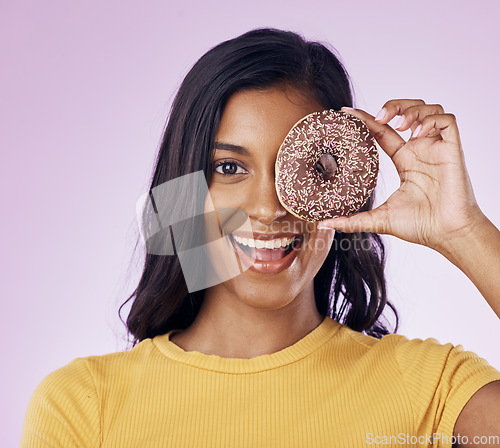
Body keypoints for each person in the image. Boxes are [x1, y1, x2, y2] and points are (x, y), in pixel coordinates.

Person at [21, 28, 500, 447]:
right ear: (185, 189)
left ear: (345, 191)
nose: (270, 208)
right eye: (229, 168)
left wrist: (464, 230)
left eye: (315, 167)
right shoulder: (82, 404)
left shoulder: (433, 393)